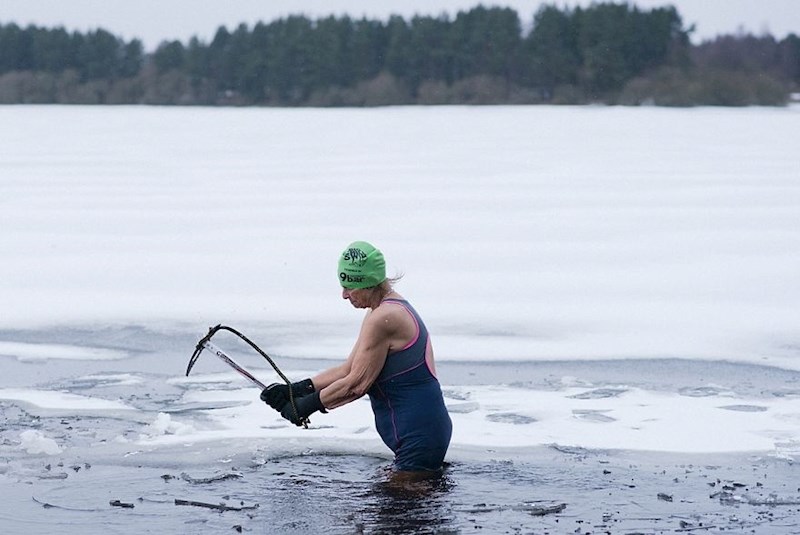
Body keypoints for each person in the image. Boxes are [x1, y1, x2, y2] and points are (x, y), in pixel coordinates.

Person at [261, 241, 452, 474]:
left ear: (368, 282)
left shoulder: (385, 318)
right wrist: (297, 389)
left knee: (400, 506)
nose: (343, 295)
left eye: (349, 287)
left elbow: (356, 385)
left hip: (418, 439)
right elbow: (348, 370)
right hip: (422, 435)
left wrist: (304, 407)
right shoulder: (382, 311)